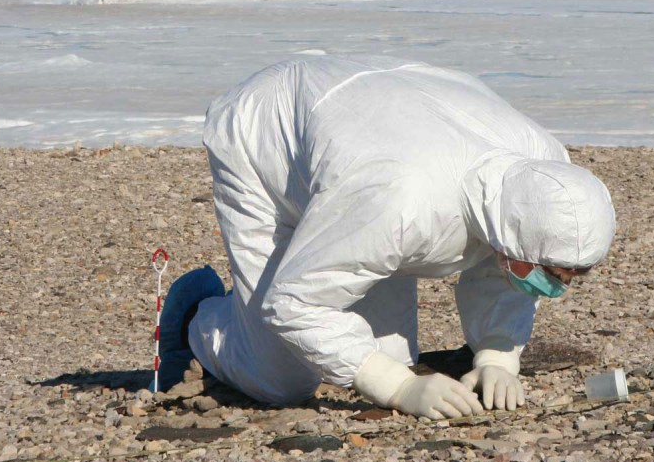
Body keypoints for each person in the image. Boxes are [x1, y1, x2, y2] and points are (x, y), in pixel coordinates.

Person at [159, 57, 615, 417]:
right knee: (280, 378)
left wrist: (496, 357)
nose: (559, 287)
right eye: (553, 275)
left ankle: (320, 266)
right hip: (267, 136)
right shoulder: (399, 201)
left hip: (380, 128)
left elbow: (504, 262)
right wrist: (397, 387)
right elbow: (294, 303)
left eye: (575, 275)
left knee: (392, 353)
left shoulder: (543, 172)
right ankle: (195, 315)